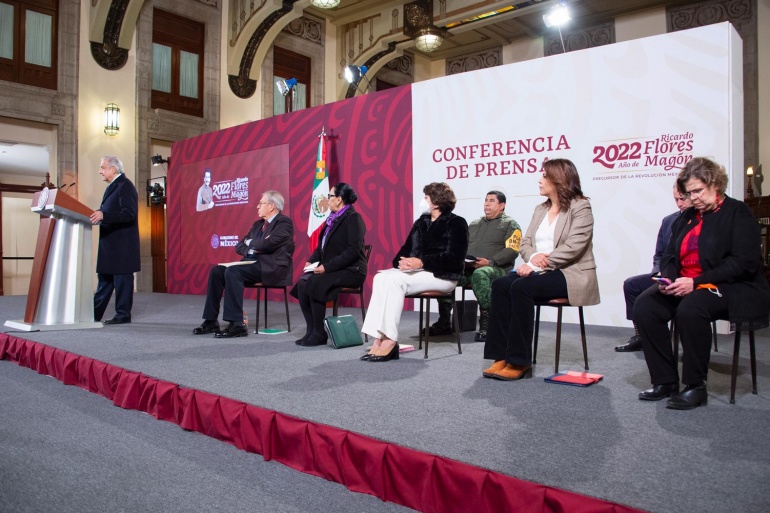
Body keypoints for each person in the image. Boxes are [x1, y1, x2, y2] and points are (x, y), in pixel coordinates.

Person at [635, 157, 770, 409]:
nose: (693, 198)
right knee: (645, 306)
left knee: (691, 309)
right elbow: (669, 255)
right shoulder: (687, 217)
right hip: (687, 282)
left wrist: (695, 282)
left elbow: (741, 263)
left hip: (732, 285)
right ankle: (665, 381)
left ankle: (696, 386)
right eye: (689, 193)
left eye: (697, 191)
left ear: (715, 184)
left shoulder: (738, 213)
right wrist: (669, 278)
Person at [482, 158, 600, 380]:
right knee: (500, 285)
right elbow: (525, 242)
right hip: (539, 270)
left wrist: (541, 262)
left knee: (521, 287)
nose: (539, 180)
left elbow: (575, 245)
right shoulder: (540, 209)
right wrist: (533, 257)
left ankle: (519, 361)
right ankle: (501, 356)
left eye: (544, 176)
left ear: (559, 178)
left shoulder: (581, 206)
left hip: (570, 272)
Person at [360, 182, 468, 362]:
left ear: (436, 202)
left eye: (426, 197)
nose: (422, 201)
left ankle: (390, 340)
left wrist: (422, 261)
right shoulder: (421, 222)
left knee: (395, 281)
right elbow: (404, 251)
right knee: (380, 277)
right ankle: (379, 336)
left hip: (444, 276)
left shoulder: (456, 222)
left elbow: (455, 258)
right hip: (419, 272)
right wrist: (403, 263)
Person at [192, 190, 295, 338]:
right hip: (251, 263)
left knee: (233, 272)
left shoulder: (284, 223)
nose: (257, 206)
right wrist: (253, 247)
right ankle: (210, 321)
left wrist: (252, 243)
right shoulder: (257, 225)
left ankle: (237, 324)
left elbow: (267, 244)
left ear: (272, 206)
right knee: (217, 271)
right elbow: (240, 245)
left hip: (270, 267)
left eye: (261, 203)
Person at [428, 191, 521, 342]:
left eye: (492, 201)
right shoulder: (474, 224)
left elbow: (512, 250)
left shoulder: (510, 224)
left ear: (502, 205)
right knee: (446, 273)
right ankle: (444, 322)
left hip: (497, 269)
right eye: (486, 200)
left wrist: (490, 262)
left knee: (481, 274)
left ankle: (487, 325)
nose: (487, 203)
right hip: (470, 267)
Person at [615, 185, 692, 352]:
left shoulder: (703, 221)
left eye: (682, 199)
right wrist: (658, 272)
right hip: (666, 275)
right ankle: (641, 336)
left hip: (689, 278)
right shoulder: (668, 221)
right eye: (676, 199)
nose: (679, 204)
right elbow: (659, 254)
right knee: (631, 284)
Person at [290, 183, 367, 347]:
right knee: (303, 282)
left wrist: (327, 267)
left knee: (315, 282)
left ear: (339, 199)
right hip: (334, 268)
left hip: (352, 270)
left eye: (329, 196)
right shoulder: (331, 219)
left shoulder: (353, 218)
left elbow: (353, 251)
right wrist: (311, 260)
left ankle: (319, 333)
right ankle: (311, 330)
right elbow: (321, 248)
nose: (327, 199)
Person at [90, 156, 140, 325]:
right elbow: (111, 211)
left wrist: (104, 215)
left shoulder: (125, 186)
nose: (100, 171)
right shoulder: (113, 186)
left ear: (114, 169)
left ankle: (123, 315)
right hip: (110, 246)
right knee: (104, 281)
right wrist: (99, 214)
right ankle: (93, 315)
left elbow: (129, 214)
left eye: (103, 168)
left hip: (121, 247)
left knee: (122, 281)